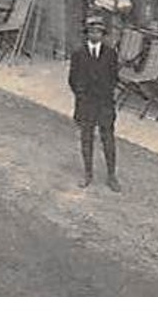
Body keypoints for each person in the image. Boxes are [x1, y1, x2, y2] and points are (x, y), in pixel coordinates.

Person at [68, 16, 120, 191]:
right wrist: (82, 96)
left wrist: (106, 94)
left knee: (108, 140)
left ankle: (111, 176)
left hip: (105, 104)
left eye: (98, 32)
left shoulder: (111, 54)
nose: (95, 35)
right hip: (86, 104)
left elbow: (114, 77)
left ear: (103, 35)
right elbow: (73, 79)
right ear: (87, 34)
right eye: (91, 31)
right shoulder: (78, 54)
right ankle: (87, 174)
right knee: (86, 139)